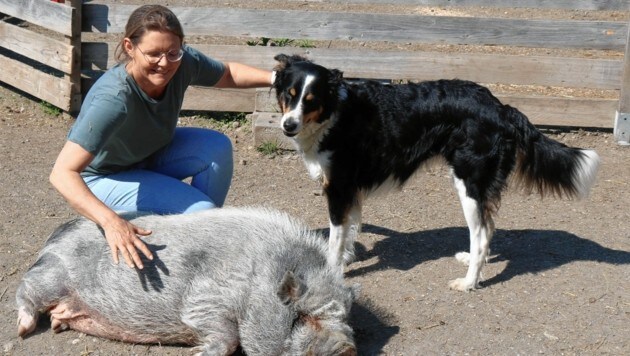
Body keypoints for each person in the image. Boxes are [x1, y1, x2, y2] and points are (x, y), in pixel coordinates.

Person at [49, 5, 274, 270]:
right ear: (129, 47)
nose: (165, 63)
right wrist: (111, 222)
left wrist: (277, 78)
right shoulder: (113, 99)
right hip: (102, 177)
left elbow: (227, 74)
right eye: (154, 54)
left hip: (146, 156)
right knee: (202, 211)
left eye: (172, 52)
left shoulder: (182, 63)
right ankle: (200, 241)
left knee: (216, 147)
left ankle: (196, 243)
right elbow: (62, 174)